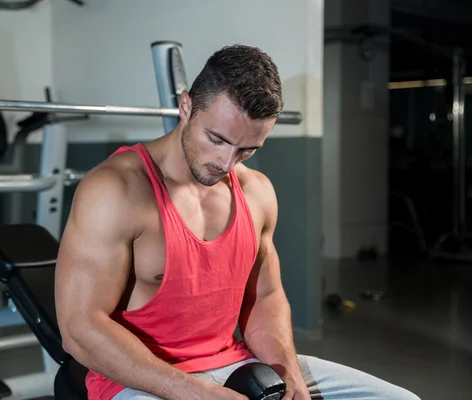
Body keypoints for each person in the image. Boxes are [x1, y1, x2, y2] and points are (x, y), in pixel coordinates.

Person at [54, 44, 420, 400]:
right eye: (216, 138)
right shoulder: (115, 190)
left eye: (247, 150)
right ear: (185, 106)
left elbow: (265, 295)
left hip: (234, 364)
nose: (226, 163)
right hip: (141, 379)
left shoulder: (256, 192)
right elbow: (81, 328)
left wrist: (286, 368)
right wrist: (194, 392)